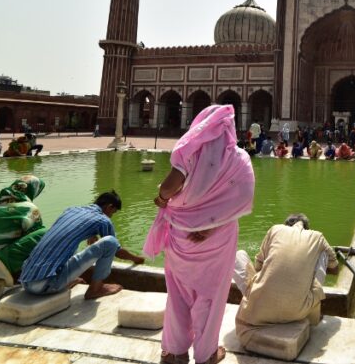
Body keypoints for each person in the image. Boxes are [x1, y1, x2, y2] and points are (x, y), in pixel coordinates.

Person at [144, 104, 254, 364]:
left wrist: (162, 198)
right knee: (211, 296)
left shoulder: (190, 150)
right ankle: (206, 354)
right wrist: (211, 225)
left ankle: (174, 351)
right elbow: (244, 195)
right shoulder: (239, 158)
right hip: (218, 237)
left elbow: (169, 186)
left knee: (178, 294)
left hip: (181, 234)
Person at [233, 214, 338, 347]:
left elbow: (258, 267)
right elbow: (335, 269)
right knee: (323, 254)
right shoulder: (318, 237)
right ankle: (312, 313)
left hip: (259, 307)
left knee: (238, 255)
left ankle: (260, 299)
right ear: (306, 228)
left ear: (286, 225)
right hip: (298, 311)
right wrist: (308, 264)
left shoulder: (275, 229)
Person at [20, 191, 144, 299]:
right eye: (113, 212)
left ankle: (66, 279)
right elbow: (116, 250)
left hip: (25, 281)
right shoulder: (103, 220)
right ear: (109, 207)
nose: (111, 216)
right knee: (111, 242)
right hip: (44, 286)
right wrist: (137, 259)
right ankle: (96, 289)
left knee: (68, 241)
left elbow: (73, 231)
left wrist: (91, 233)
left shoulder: (71, 210)